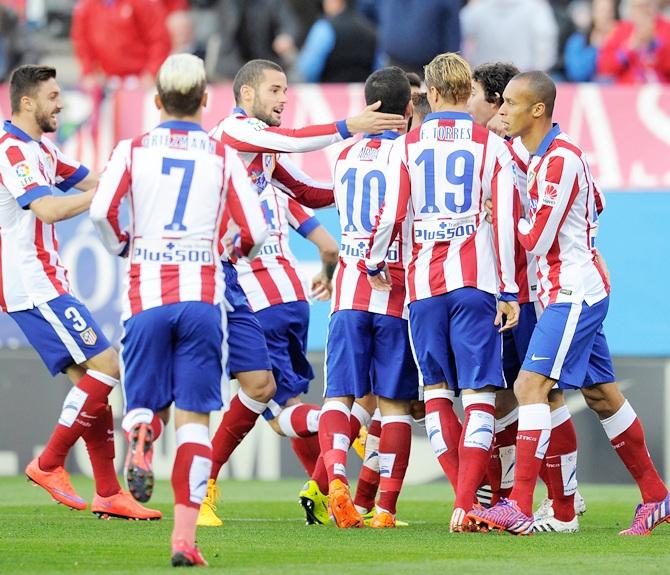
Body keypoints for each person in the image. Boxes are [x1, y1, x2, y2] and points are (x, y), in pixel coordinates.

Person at [197, 58, 405, 525]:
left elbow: (311, 193)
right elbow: (293, 147)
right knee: (273, 400)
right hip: (274, 292)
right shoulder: (235, 133)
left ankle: (202, 485)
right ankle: (341, 443)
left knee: (259, 394)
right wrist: (351, 127)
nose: (284, 98)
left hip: (247, 289)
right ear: (246, 95)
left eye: (286, 90)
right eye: (275, 90)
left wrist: (363, 177)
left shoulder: (258, 153)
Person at [469, 71, 670, 536]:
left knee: (529, 387)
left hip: (571, 292)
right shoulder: (540, 156)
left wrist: (502, 213)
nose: (502, 113)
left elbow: (536, 239)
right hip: (571, 287)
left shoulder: (560, 161)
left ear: (537, 110)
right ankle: (656, 496)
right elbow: (597, 200)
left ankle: (519, 504)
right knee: (601, 395)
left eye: (511, 105)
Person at [90, 53, 268, 566]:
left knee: (144, 404)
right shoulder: (221, 154)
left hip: (146, 297)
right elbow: (254, 231)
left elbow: (103, 210)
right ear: (205, 101)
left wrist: (124, 243)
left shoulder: (133, 148)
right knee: (194, 421)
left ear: (157, 101)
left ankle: (141, 433)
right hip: (201, 299)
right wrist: (233, 251)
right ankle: (184, 541)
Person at [366, 52, 519, 532]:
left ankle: (463, 499)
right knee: (479, 394)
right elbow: (507, 222)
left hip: (424, 286)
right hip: (477, 283)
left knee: (435, 392)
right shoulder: (490, 144)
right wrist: (509, 289)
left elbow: (391, 214)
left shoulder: (405, 147)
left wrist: (372, 260)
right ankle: (466, 506)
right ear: (463, 90)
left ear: (430, 93)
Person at [0, 65, 159, 521]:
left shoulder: (41, 149)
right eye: (52, 96)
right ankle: (49, 463)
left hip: (45, 277)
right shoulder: (12, 151)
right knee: (108, 365)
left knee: (93, 390)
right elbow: (48, 209)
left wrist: (138, 178)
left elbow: (94, 179)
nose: (61, 103)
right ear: (27, 102)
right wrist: (103, 196)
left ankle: (108, 493)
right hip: (31, 281)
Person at [468, 62, 586, 533]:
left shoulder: (532, 154)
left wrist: (505, 217)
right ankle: (530, 500)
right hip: (523, 289)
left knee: (541, 392)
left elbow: (553, 223)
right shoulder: (526, 154)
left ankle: (558, 501)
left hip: (533, 290)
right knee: (517, 394)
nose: (477, 105)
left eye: (479, 94)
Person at [316, 66, 417, 529]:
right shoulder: (412, 154)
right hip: (394, 288)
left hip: (348, 290)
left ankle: (335, 479)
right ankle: (384, 511)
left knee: (339, 395)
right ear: (409, 108)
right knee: (393, 403)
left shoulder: (343, 155)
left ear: (368, 106)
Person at [71, 0, 171, 90]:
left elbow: (159, 39)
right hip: (105, 81)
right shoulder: (85, 6)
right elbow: (81, 43)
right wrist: (88, 72)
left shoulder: (143, 3)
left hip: (140, 79)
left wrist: (151, 73)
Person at [460, 0, 559, 73]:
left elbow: (459, 36)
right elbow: (545, 41)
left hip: (484, 75)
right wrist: (538, 72)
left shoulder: (476, 8)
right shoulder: (537, 7)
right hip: (523, 75)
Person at [297, 0, 376, 83]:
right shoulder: (370, 29)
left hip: (327, 92)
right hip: (361, 93)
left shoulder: (324, 28)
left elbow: (307, 70)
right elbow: (377, 68)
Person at [597, 0, 670, 83]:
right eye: (636, 7)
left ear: (654, 6)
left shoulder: (667, 28)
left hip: (662, 90)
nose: (641, 11)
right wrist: (629, 47)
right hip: (629, 92)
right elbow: (604, 67)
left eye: (645, 6)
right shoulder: (622, 30)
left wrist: (655, 46)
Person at [564, 0, 618, 82]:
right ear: (593, 13)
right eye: (602, 11)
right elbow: (576, 74)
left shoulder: (623, 36)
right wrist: (595, 47)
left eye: (610, 11)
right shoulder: (579, 40)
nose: (606, 15)